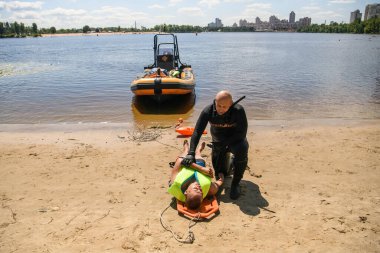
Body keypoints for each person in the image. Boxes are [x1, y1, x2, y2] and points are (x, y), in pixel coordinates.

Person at [182, 90, 248, 200]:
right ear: (214, 102)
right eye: (219, 106)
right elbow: (197, 131)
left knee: (242, 149)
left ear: (231, 104)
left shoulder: (238, 110)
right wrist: (191, 152)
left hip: (235, 140)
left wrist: (226, 144)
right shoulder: (208, 111)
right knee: (220, 172)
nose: (221, 109)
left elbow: (242, 133)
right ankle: (226, 168)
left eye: (224, 107)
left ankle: (235, 184)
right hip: (218, 140)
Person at [168, 140, 224, 210]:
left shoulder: (176, 183)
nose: (199, 187)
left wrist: (201, 169)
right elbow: (217, 185)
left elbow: (180, 160)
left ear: (186, 192)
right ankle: (198, 151)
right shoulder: (209, 189)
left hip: (185, 165)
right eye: (201, 191)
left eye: (195, 189)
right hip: (198, 164)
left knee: (185, 155)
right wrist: (221, 178)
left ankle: (186, 149)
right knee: (197, 156)